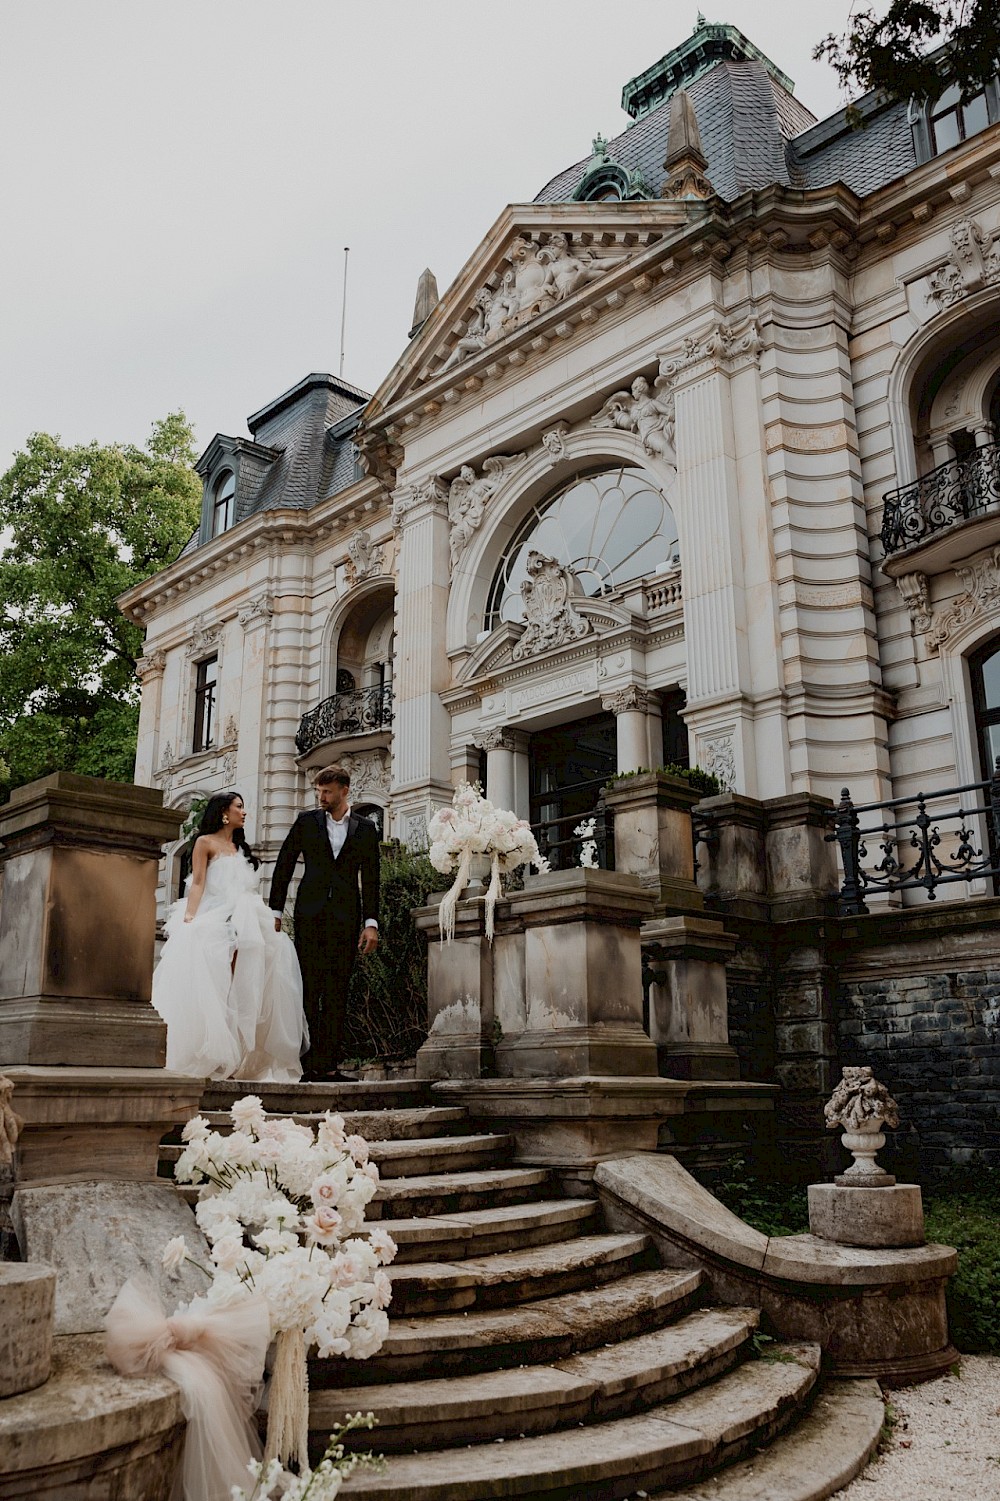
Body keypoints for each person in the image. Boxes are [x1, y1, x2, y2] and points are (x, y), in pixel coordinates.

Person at [152, 793, 307, 1081]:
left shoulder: (239, 848)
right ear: (224, 812)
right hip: (217, 914)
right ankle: (215, 1055)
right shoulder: (204, 843)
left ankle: (242, 1056)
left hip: (248, 917)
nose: (244, 812)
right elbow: (198, 883)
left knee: (253, 983)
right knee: (217, 984)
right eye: (239, 806)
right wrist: (190, 917)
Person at [268, 764, 380, 1082]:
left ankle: (329, 1065)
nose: (322, 797)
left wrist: (371, 923)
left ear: (344, 790)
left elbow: (371, 878)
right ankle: (303, 1063)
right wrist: (276, 910)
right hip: (309, 916)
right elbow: (285, 863)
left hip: (346, 920)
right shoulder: (306, 822)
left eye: (327, 791)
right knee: (307, 988)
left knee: (336, 991)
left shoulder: (365, 828)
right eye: (319, 791)